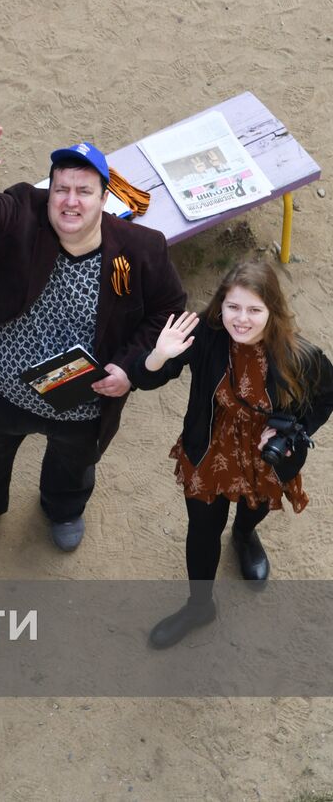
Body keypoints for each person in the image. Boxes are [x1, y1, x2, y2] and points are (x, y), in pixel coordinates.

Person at [0, 117, 186, 555]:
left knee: (74, 465)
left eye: (84, 191)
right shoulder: (22, 213)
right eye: (61, 190)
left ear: (104, 198)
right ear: (48, 193)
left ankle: (64, 509)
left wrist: (128, 370)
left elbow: (167, 313)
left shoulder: (141, 249)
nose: (71, 202)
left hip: (81, 400)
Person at [133, 261, 333, 648]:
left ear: (272, 310)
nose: (241, 320)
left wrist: (293, 431)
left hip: (265, 456)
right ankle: (199, 606)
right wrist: (157, 355)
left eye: (254, 309)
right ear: (221, 305)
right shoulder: (205, 337)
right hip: (211, 448)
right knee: (202, 529)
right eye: (233, 307)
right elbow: (146, 377)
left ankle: (244, 535)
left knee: (254, 506)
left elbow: (326, 397)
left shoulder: (300, 355)